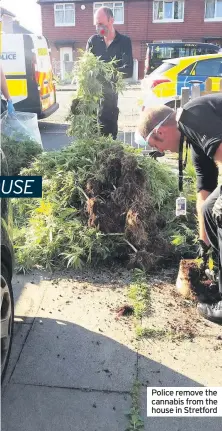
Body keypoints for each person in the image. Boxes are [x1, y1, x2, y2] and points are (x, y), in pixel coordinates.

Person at [135, 93, 222, 324]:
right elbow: (204, 192)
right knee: (211, 207)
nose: (163, 152)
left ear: (160, 132)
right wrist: (203, 246)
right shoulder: (193, 141)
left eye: (157, 146)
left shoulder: (191, 116)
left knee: (221, 211)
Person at [86, 7, 133, 139]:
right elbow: (86, 68)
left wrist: (105, 73)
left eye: (101, 24)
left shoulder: (124, 42)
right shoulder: (93, 41)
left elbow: (128, 69)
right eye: (96, 24)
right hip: (92, 101)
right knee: (91, 140)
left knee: (108, 141)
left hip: (110, 102)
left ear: (111, 21)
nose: (99, 27)